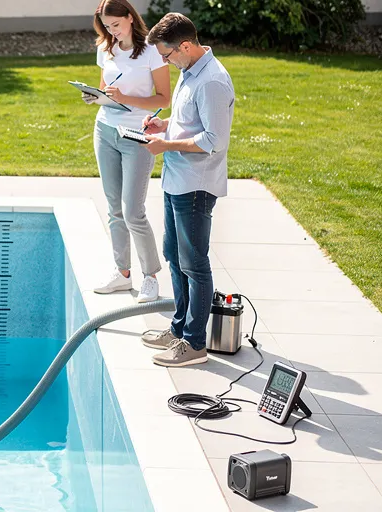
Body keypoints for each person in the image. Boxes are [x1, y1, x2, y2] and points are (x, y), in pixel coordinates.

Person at [139, 12, 235, 367]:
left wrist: (165, 146)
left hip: (195, 185)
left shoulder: (211, 81)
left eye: (167, 55)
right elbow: (189, 122)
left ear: (185, 45)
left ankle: (194, 344)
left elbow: (214, 140)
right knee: (174, 257)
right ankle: (179, 330)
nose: (165, 62)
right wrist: (163, 124)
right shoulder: (189, 72)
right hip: (176, 179)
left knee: (194, 264)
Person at [86, 0, 170, 304]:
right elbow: (105, 90)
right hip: (105, 130)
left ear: (130, 19)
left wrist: (126, 97)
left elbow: (164, 97)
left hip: (137, 134)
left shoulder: (151, 51)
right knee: (114, 209)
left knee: (134, 210)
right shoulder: (105, 49)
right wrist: (95, 98)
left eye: (116, 25)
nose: (111, 31)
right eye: (106, 27)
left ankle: (150, 277)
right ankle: (122, 274)